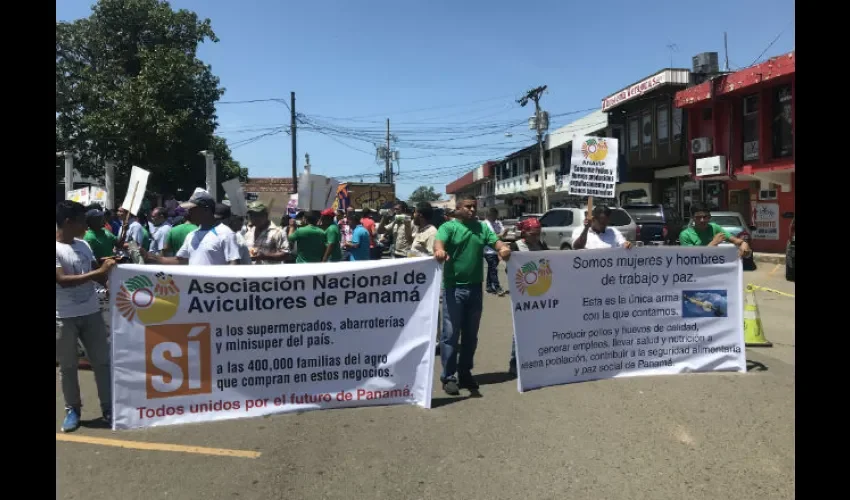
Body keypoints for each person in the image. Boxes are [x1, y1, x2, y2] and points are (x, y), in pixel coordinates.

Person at [434, 197, 511, 395]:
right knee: (450, 334)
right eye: (468, 206)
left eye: (474, 206)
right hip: (453, 288)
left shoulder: (481, 228)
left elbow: (495, 241)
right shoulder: (448, 227)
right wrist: (440, 251)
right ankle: (448, 376)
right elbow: (438, 243)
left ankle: (465, 372)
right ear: (457, 209)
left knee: (470, 335)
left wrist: (502, 248)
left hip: (475, 288)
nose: (472, 209)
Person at [55, 200, 116, 432]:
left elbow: (95, 273)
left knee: (102, 362)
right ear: (69, 222)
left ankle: (108, 407)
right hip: (63, 316)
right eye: (83, 222)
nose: (86, 226)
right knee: (68, 366)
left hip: (91, 312)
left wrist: (110, 278)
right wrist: (98, 272)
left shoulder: (83, 244)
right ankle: (73, 409)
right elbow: (61, 280)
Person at [143, 191, 241, 265]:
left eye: (193, 209)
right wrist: (151, 257)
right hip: (195, 290)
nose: (188, 213)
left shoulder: (225, 233)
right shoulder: (192, 235)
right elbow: (180, 261)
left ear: (206, 210)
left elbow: (233, 264)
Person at [506, 218, 548, 377]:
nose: (536, 237)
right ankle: (515, 362)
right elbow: (509, 270)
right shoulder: (515, 247)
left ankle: (535, 360)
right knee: (521, 328)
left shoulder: (541, 245)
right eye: (533, 234)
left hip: (541, 292)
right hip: (523, 293)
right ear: (524, 233)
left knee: (538, 328)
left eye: (538, 234)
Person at [679, 203, 752, 257]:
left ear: (709, 217)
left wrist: (744, 244)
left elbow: (736, 241)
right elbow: (693, 257)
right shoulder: (685, 235)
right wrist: (714, 242)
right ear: (692, 217)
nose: (702, 220)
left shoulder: (714, 228)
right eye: (698, 217)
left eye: (705, 217)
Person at [482, 207, 508, 294]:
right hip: (488, 250)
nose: (495, 217)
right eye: (493, 214)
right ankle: (497, 287)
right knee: (493, 269)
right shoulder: (485, 224)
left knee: (491, 269)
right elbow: (491, 237)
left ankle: (488, 287)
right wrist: (500, 234)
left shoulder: (498, 223)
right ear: (489, 214)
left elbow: (502, 234)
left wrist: (504, 233)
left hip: (497, 249)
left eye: (496, 214)